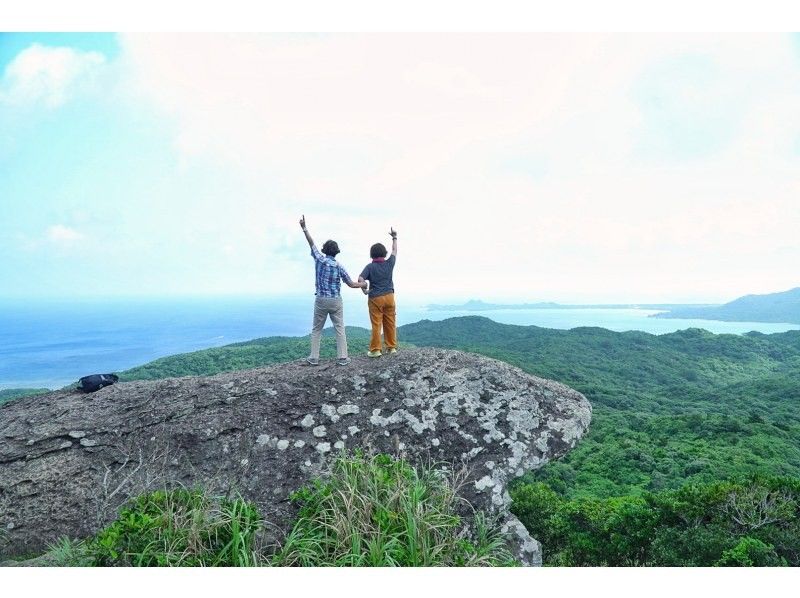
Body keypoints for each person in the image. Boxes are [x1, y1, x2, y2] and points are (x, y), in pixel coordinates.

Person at [299, 215, 367, 366]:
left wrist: (304, 228)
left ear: (325, 250)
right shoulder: (339, 266)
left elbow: (311, 244)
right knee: (339, 328)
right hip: (336, 300)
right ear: (336, 252)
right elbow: (351, 284)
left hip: (321, 299)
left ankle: (314, 357)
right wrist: (363, 284)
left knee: (317, 329)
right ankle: (343, 358)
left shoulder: (319, 259)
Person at [358, 227, 398, 357]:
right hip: (389, 296)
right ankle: (391, 348)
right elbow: (394, 251)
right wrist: (394, 237)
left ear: (372, 254)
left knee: (377, 324)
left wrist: (364, 289)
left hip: (375, 298)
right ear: (384, 253)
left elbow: (360, 279)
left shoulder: (370, 267)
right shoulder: (389, 263)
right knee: (390, 322)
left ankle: (375, 350)